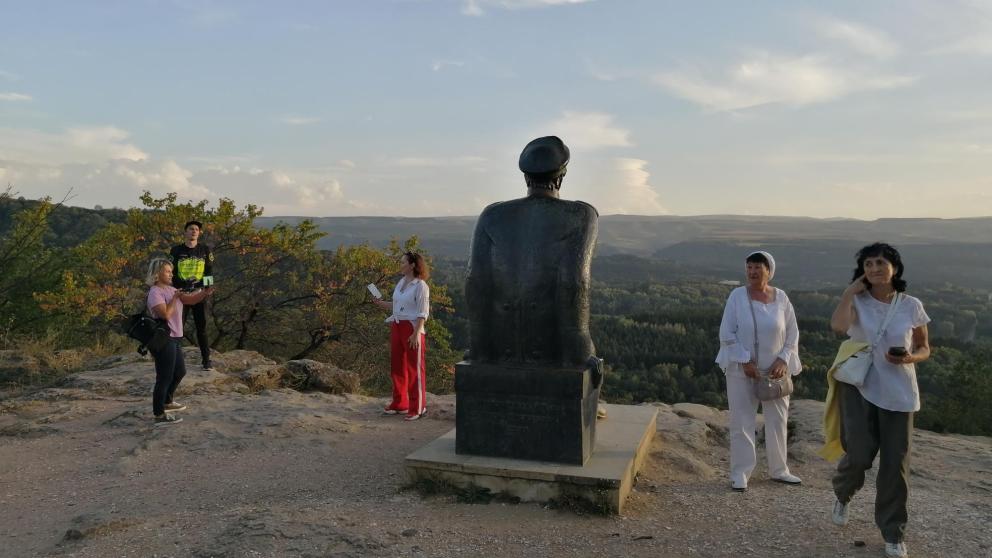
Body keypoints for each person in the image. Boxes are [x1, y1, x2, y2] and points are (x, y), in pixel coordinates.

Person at [828, 243, 930, 558]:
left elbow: (925, 347)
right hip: (860, 387)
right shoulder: (856, 300)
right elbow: (838, 328)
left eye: (880, 263)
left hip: (899, 394)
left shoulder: (911, 305)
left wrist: (910, 357)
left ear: (894, 268)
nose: (874, 268)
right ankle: (842, 494)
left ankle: (893, 532)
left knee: (894, 467)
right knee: (858, 454)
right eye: (869, 263)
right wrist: (848, 292)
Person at [716, 251, 803, 491]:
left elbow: (793, 333)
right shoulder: (737, 296)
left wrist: (784, 359)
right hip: (741, 369)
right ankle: (740, 473)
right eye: (749, 267)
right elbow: (726, 333)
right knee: (742, 419)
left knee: (778, 419)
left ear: (769, 271)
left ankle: (779, 470)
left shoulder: (782, 298)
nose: (752, 272)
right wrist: (745, 361)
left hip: (775, 371)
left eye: (758, 268)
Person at [145, 258, 213, 426]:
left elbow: (189, 300)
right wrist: (175, 298)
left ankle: (167, 401)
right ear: (157, 273)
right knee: (164, 377)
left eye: (171, 271)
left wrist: (204, 293)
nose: (171, 274)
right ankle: (159, 414)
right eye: (167, 271)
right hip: (164, 338)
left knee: (180, 371)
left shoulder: (171, 289)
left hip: (175, 337)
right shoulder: (155, 292)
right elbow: (165, 315)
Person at [372, 251, 431, 421]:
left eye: (403, 262)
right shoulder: (401, 282)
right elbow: (398, 305)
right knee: (397, 366)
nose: (400, 265)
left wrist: (416, 333)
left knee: (415, 369)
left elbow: (422, 312)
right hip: (397, 325)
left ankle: (418, 407)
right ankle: (400, 403)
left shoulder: (421, 286)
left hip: (412, 328)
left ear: (412, 265)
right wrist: (381, 304)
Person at [170, 220, 214, 370]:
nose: (194, 231)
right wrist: (173, 290)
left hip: (199, 294)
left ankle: (206, 360)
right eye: (191, 229)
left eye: (196, 229)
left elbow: (209, 271)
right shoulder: (175, 251)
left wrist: (207, 289)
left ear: (199, 233)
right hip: (181, 295)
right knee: (177, 328)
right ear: (185, 232)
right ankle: (173, 359)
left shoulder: (205, 250)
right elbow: (171, 273)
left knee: (201, 328)